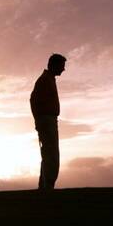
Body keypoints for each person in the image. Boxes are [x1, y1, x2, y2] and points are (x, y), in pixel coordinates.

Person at [30, 53, 67, 190]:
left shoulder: (48, 79)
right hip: (46, 120)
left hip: (48, 120)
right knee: (51, 154)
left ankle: (45, 186)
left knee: (49, 153)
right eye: (62, 66)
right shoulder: (44, 79)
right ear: (55, 65)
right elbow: (33, 100)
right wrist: (39, 121)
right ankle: (48, 185)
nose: (64, 69)